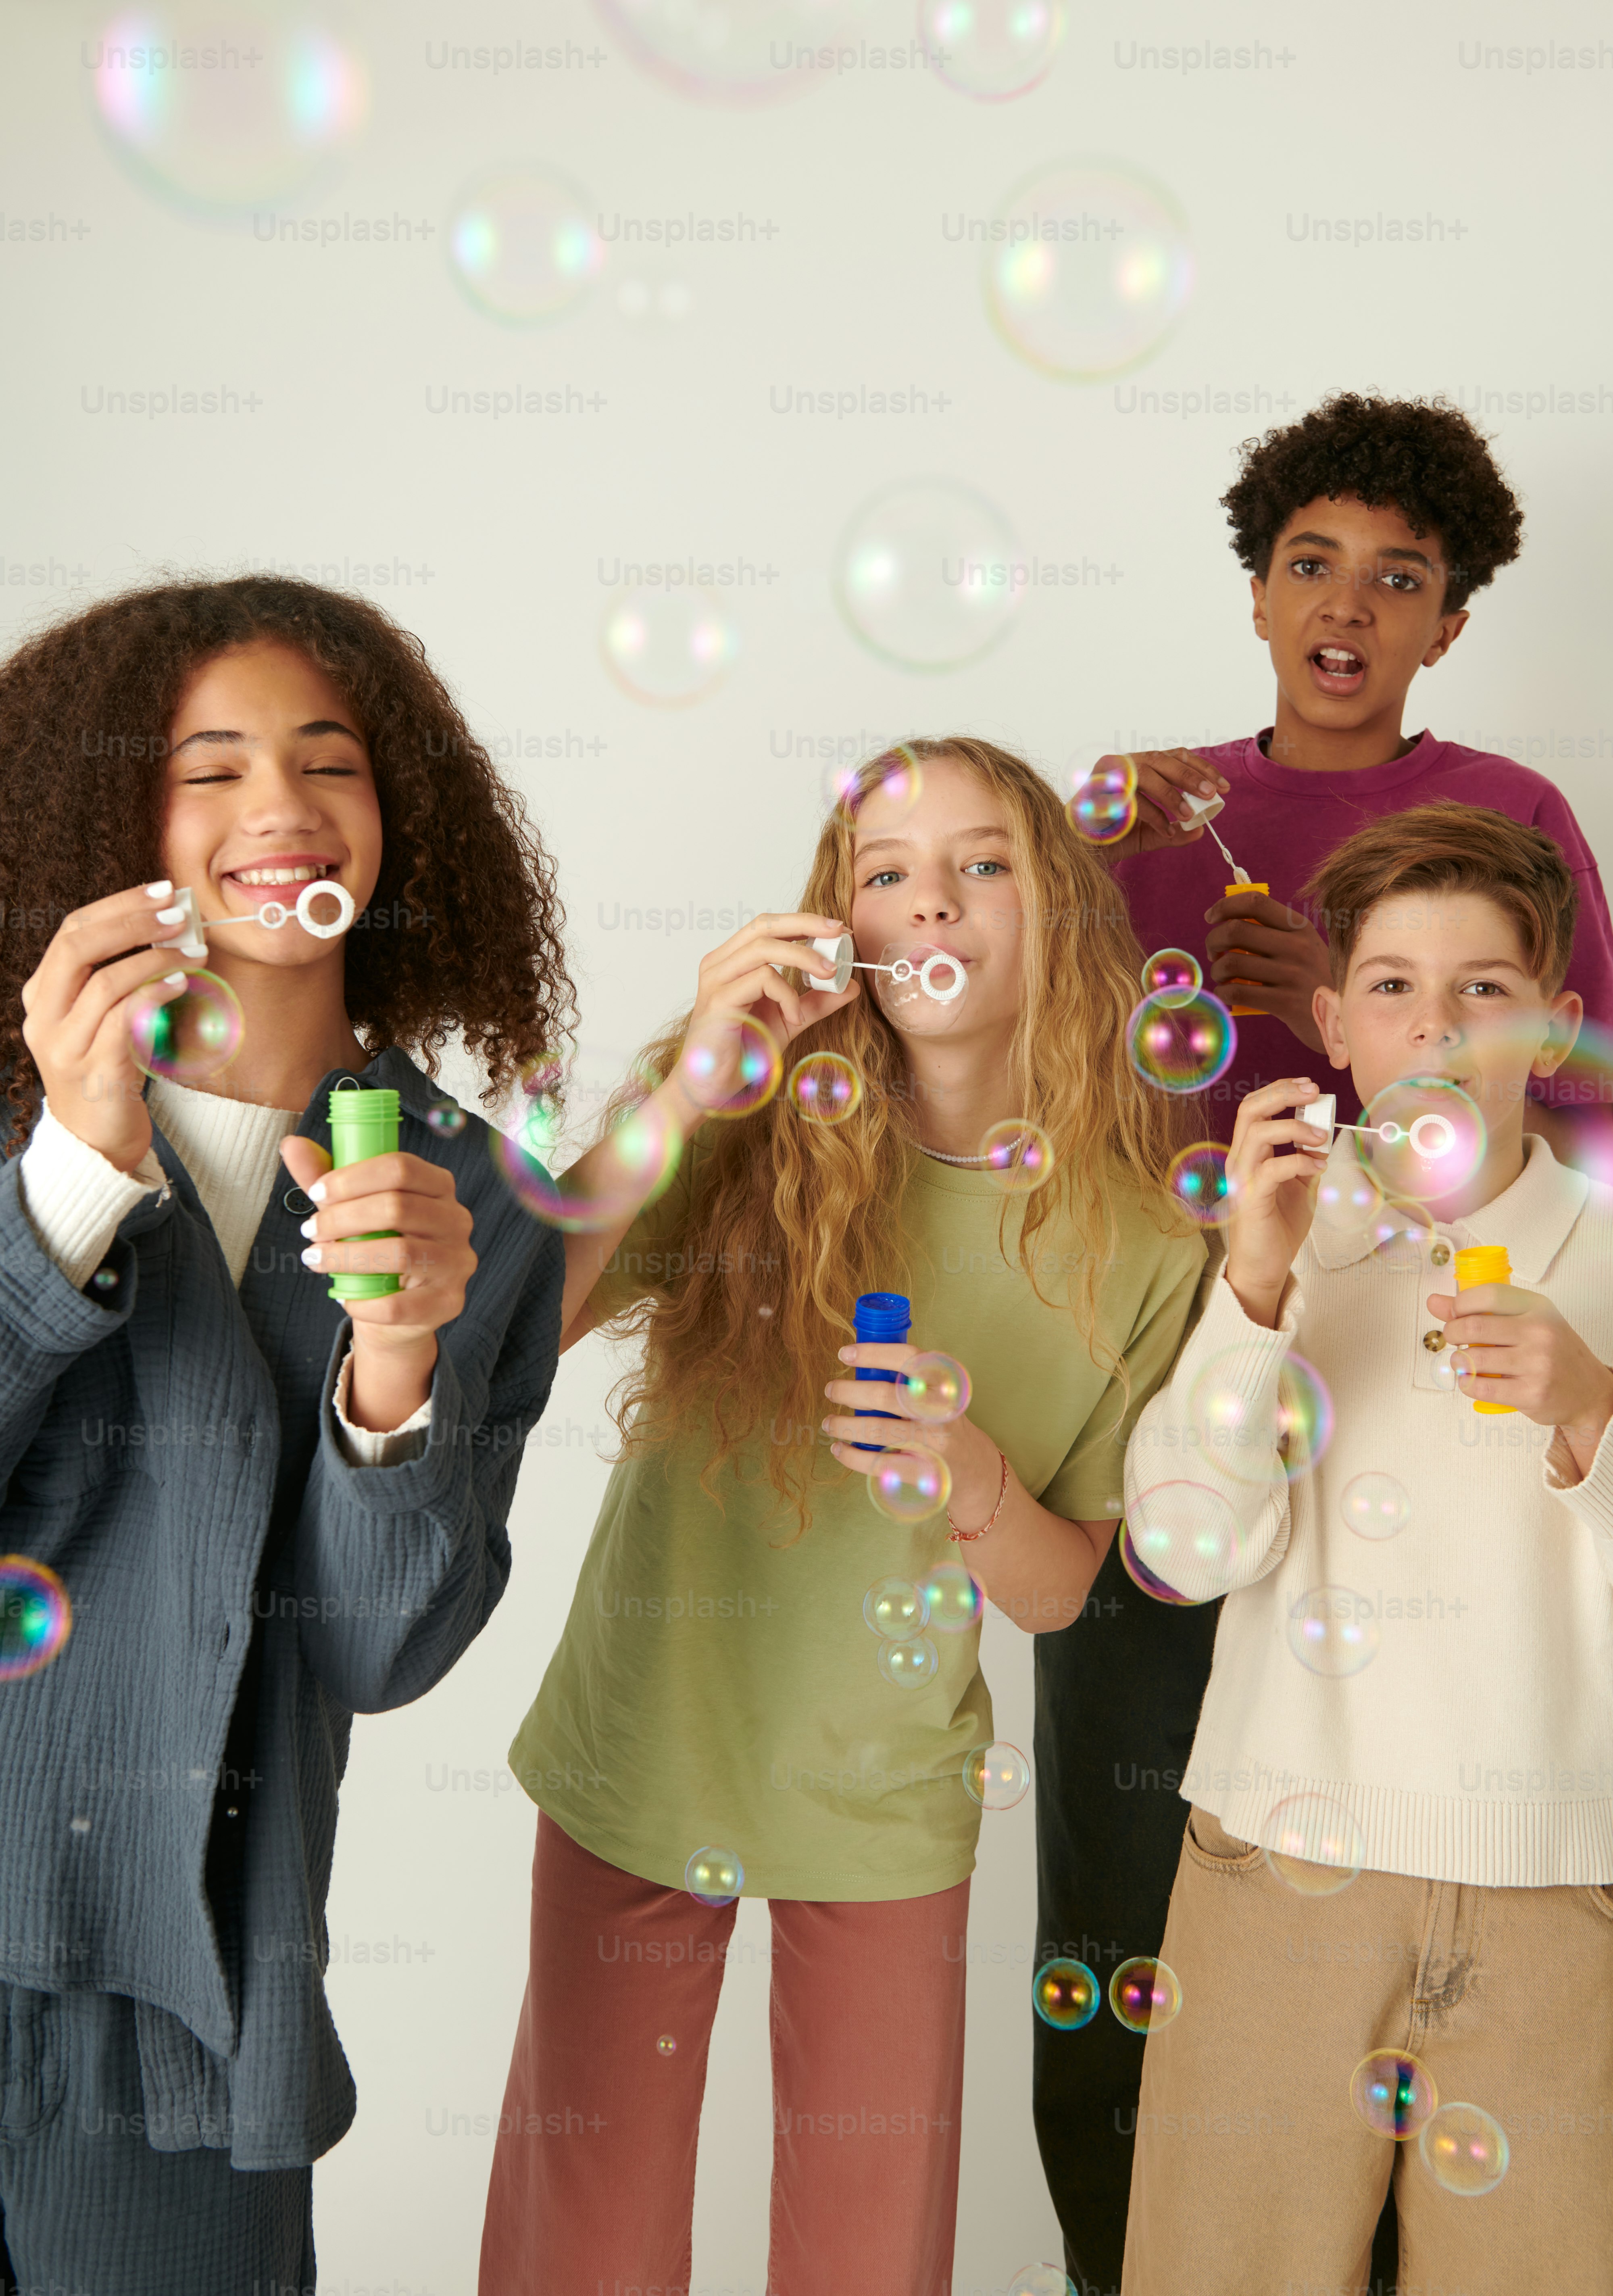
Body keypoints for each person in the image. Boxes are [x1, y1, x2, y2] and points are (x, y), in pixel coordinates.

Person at [477, 738, 1207, 2296]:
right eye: (887, 872)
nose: (929, 898)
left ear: (1062, 912)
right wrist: (690, 1081)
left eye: (981, 863)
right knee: (582, 2237)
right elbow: (514, 1334)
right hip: (647, 1734)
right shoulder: (747, 1121)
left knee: (870, 2255)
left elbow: (1066, 1593)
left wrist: (977, 1484)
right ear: (841, 923)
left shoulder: (1140, 1238)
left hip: (883, 1795)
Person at [1036, 392, 1613, 2294]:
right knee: (1147, 1976)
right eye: (1310, 564)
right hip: (1212, 1355)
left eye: (1402, 577)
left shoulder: (1512, 818)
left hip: (1446, 1432)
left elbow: (1585, 1120)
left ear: (1449, 621)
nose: (1349, 604)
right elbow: (1058, 1078)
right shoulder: (1142, 806)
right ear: (1256, 587)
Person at [0, 576, 572, 2296]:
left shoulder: (470, 1192)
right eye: (211, 764)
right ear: (108, 816)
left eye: (332, 761)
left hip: (183, 1988)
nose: (282, 806)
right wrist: (74, 1181)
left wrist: (398, 1359)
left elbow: (380, 1649)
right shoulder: (19, 1114)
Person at [1119, 802, 1613, 2294]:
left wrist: (1595, 1406)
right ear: (1333, 1024)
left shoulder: (1604, 1248)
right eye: (1393, 986)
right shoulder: (1284, 1233)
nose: (1437, 1025)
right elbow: (1182, 1544)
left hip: (1552, 1892)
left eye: (1484, 989)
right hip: (1279, 1869)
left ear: (1558, 1024)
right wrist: (1255, 1296)